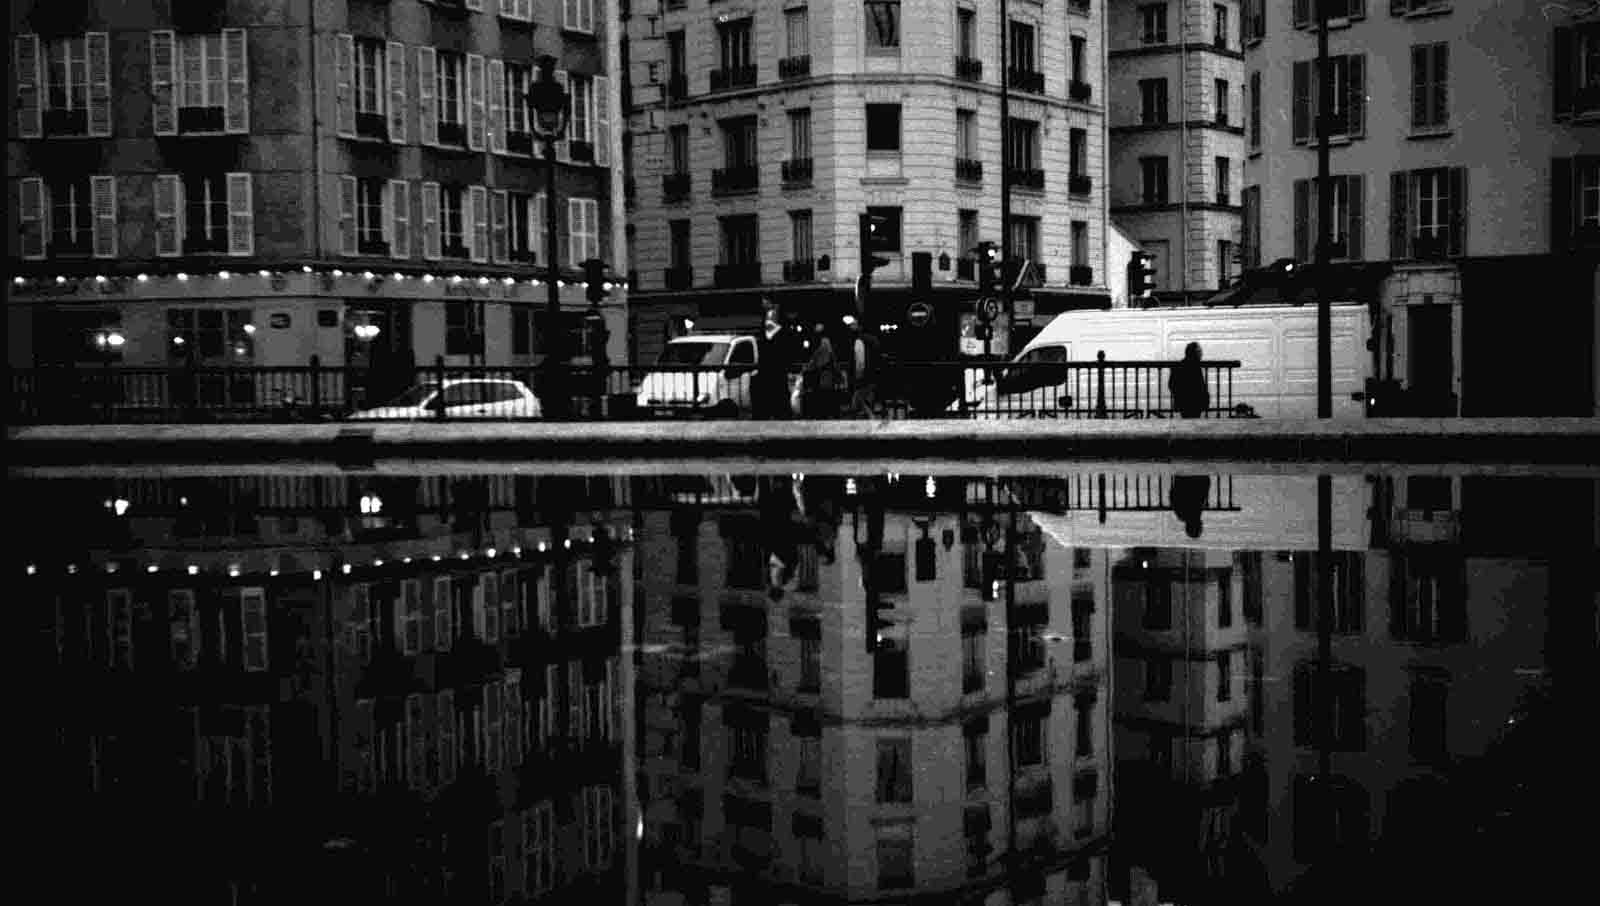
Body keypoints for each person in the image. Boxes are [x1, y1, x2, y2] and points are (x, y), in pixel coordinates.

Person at [753, 312, 795, 420]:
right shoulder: (782, 329)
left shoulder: (771, 318)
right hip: (777, 368)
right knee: (780, 393)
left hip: (770, 368)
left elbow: (768, 337)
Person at [842, 315, 882, 418]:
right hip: (873, 376)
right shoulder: (874, 339)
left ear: (860, 326)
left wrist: (857, 377)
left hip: (863, 378)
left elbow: (860, 361)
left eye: (854, 324)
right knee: (864, 402)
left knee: (858, 403)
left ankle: (871, 420)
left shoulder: (859, 340)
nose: (851, 326)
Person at [801, 321, 840, 418]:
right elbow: (829, 357)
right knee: (824, 393)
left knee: (823, 393)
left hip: (823, 372)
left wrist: (809, 366)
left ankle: (823, 413)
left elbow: (823, 358)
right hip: (822, 372)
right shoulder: (823, 343)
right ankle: (826, 413)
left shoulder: (824, 342)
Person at [1168, 341, 1211, 418]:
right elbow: (1200, 386)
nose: (1201, 354)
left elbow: (1171, 384)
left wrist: (1178, 396)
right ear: (1194, 353)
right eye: (1199, 351)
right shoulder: (1195, 366)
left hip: (1183, 402)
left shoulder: (1179, 365)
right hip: (1195, 402)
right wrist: (1205, 399)